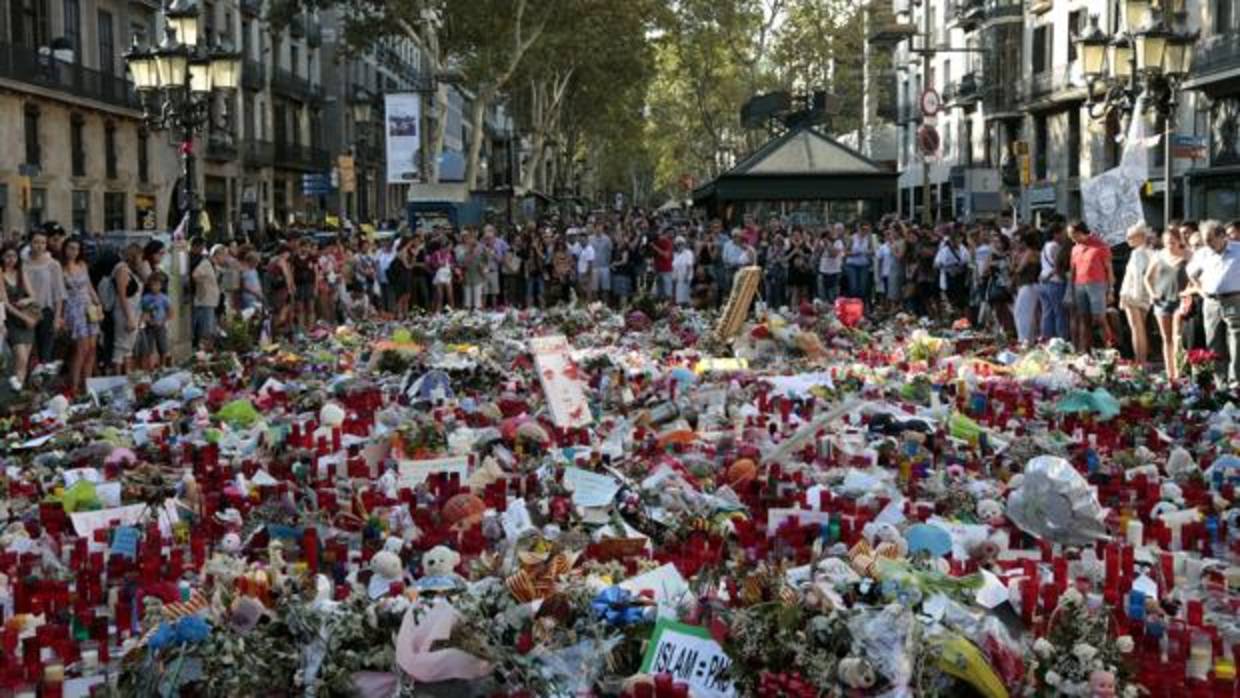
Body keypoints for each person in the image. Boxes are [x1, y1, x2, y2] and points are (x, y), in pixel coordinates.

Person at [1185, 220, 1240, 387]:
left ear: (1222, 235)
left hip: (1234, 300)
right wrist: (1201, 291)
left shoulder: (1238, 250)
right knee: (1214, 342)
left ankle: (1236, 382)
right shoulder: (1203, 253)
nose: (1208, 244)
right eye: (1205, 240)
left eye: (1210, 239)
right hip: (1211, 302)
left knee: (1236, 341)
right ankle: (1220, 384)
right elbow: (1191, 273)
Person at [1144, 228, 1189, 382]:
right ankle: (1170, 374)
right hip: (1161, 301)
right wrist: (1151, 294)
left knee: (1178, 337)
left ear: (1179, 241)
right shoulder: (1158, 255)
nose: (1169, 244)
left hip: (1180, 300)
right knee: (1166, 338)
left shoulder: (1187, 255)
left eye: (1172, 241)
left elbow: (1195, 277)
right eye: (1167, 241)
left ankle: (1179, 372)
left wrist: (1188, 293)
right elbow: (1147, 278)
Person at [59, 237, 101, 393]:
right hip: (73, 309)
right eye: (70, 248)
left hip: (89, 307)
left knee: (92, 348)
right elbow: (59, 293)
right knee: (81, 349)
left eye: (76, 249)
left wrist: (98, 303)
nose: (73, 252)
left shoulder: (82, 265)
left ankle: (87, 384)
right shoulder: (60, 267)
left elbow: (89, 286)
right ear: (65, 249)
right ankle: (74, 386)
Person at [1067, 221, 1116, 353]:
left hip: (1097, 284)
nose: (1071, 238)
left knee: (1099, 317)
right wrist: (1070, 291)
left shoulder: (1100, 245)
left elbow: (1109, 269)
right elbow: (1073, 270)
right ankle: (1085, 350)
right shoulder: (1075, 248)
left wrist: (1111, 290)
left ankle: (1110, 347)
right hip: (1079, 284)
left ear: (1080, 232)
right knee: (1083, 318)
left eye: (1073, 234)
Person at [2, 244, 36, 389]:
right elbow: (5, 303)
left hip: (27, 321)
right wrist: (25, 318)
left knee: (24, 362)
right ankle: (13, 395)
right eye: (7, 256)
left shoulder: (21, 271)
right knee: (20, 359)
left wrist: (26, 300)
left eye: (14, 256)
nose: (11, 260)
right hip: (13, 320)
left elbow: (33, 295)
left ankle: (18, 394)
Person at [1119, 224, 1153, 365]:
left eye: (1130, 236)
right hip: (1143, 295)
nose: (1127, 239)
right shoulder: (1149, 251)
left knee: (1136, 329)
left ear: (1141, 237)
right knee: (1140, 328)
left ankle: (1140, 361)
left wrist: (1135, 296)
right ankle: (1141, 360)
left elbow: (1139, 276)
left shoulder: (1138, 253)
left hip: (1133, 294)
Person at [1039, 223, 1071, 340]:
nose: (1064, 235)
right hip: (1055, 282)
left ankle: (1047, 339)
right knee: (1060, 314)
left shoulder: (1045, 246)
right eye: (1062, 232)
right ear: (1055, 234)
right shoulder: (1055, 246)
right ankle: (1062, 340)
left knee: (1047, 313)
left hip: (1044, 282)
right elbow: (1058, 265)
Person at [192, 245, 224, 352]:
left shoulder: (214, 266)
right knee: (206, 329)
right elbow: (195, 275)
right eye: (223, 255)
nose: (224, 258)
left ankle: (206, 350)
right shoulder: (205, 264)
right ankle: (203, 351)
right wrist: (203, 288)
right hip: (205, 301)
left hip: (211, 301)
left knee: (209, 328)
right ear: (217, 254)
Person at [1012, 230, 1043, 345]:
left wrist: (1015, 260)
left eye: (1020, 242)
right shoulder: (1037, 252)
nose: (1018, 244)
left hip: (1028, 285)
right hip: (1030, 285)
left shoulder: (1030, 252)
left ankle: (1024, 339)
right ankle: (1029, 339)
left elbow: (1019, 269)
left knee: (1022, 313)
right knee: (1028, 314)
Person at [935, 228, 971, 314]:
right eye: (954, 239)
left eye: (959, 238)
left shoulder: (964, 249)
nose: (956, 240)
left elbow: (968, 262)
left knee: (962, 299)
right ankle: (954, 316)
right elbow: (937, 264)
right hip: (949, 277)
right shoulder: (944, 250)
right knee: (951, 298)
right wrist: (949, 267)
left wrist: (961, 267)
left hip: (961, 277)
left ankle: (962, 317)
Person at [140, 272, 172, 370]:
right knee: (148, 348)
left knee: (162, 347)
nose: (155, 287)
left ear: (161, 286)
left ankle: (162, 366)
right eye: (153, 285)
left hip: (160, 325)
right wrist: (147, 320)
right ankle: (150, 367)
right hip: (149, 326)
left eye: (157, 285)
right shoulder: (145, 298)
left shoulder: (164, 298)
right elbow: (143, 311)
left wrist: (163, 321)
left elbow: (170, 312)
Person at [844, 225, 874, 303]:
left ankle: (861, 305)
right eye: (862, 229)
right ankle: (853, 303)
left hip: (864, 265)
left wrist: (868, 252)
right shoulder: (852, 238)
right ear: (858, 229)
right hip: (852, 265)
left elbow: (872, 251)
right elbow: (845, 252)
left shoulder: (868, 238)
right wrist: (854, 253)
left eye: (866, 230)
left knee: (862, 287)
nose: (864, 231)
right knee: (853, 286)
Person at [818, 226, 844, 303]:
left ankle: (834, 310)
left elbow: (834, 254)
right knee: (823, 294)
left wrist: (828, 245)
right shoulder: (822, 242)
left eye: (831, 232)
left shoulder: (838, 242)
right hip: (823, 271)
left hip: (835, 271)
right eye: (827, 233)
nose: (830, 235)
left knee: (834, 295)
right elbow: (817, 252)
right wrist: (819, 238)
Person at [589, 224, 613, 305]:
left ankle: (605, 306)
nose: (599, 229)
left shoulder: (607, 239)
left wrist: (608, 263)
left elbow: (610, 252)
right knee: (594, 289)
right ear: (594, 228)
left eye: (600, 227)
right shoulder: (590, 239)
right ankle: (595, 307)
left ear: (602, 228)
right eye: (597, 227)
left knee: (605, 289)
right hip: (594, 267)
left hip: (605, 266)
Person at [651, 229, 674, 300]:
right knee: (659, 293)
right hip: (658, 270)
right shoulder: (656, 242)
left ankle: (669, 308)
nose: (659, 237)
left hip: (666, 270)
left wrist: (655, 248)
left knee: (667, 293)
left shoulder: (668, 242)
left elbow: (666, 255)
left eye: (660, 235)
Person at [672, 236, 694, 306]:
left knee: (686, 296)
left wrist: (686, 276)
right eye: (678, 244)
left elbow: (689, 265)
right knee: (679, 297)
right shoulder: (675, 254)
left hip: (686, 277)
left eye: (681, 243)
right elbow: (674, 267)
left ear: (684, 244)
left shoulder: (688, 253)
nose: (679, 245)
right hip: (677, 278)